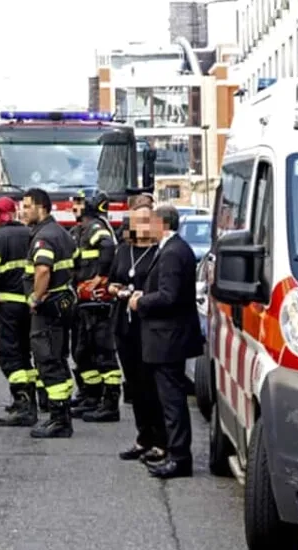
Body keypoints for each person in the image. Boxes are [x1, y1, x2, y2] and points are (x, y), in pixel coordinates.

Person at [129, 204, 203, 479]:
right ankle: (175, 453)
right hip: (167, 336)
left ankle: (179, 458)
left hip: (168, 338)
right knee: (169, 398)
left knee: (172, 401)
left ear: (162, 223)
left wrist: (140, 302)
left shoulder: (172, 252)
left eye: (151, 221)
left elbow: (169, 296)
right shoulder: (173, 248)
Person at [110, 203, 166, 465]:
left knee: (151, 384)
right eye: (136, 221)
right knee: (134, 385)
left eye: (146, 220)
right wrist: (116, 289)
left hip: (149, 324)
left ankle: (160, 441)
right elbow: (111, 280)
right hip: (125, 324)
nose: (141, 226)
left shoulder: (159, 252)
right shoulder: (123, 250)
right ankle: (143, 438)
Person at [21, 187, 79, 438]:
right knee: (58, 358)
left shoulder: (44, 236)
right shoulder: (62, 233)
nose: (23, 212)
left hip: (47, 308)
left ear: (41, 207)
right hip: (62, 304)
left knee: (48, 361)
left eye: (27, 206)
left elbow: (43, 269)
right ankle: (61, 415)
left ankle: (59, 420)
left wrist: (35, 297)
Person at [0, 197, 40, 427]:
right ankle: (28, 401)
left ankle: (23, 404)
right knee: (24, 353)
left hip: (7, 305)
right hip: (29, 304)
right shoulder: (30, 233)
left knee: (9, 354)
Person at [70, 191, 121, 422]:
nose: (74, 208)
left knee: (103, 352)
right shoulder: (81, 229)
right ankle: (91, 396)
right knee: (83, 351)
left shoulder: (96, 227)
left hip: (97, 302)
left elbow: (108, 247)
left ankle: (110, 404)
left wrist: (100, 277)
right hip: (84, 301)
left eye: (78, 204)